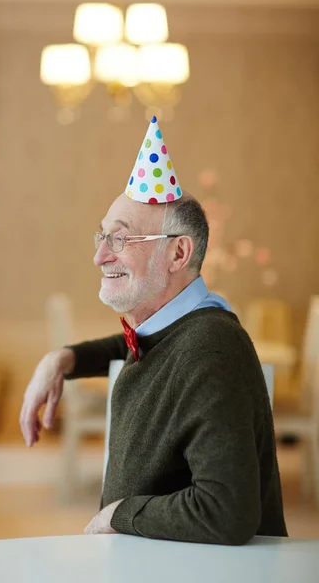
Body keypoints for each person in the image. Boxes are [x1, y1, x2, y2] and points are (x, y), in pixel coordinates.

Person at [20, 117, 287, 545]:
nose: (100, 257)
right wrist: (63, 359)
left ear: (178, 252)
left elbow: (227, 512)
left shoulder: (212, 348)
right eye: (101, 237)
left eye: (121, 239)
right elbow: (155, 349)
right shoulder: (180, 331)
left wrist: (121, 514)